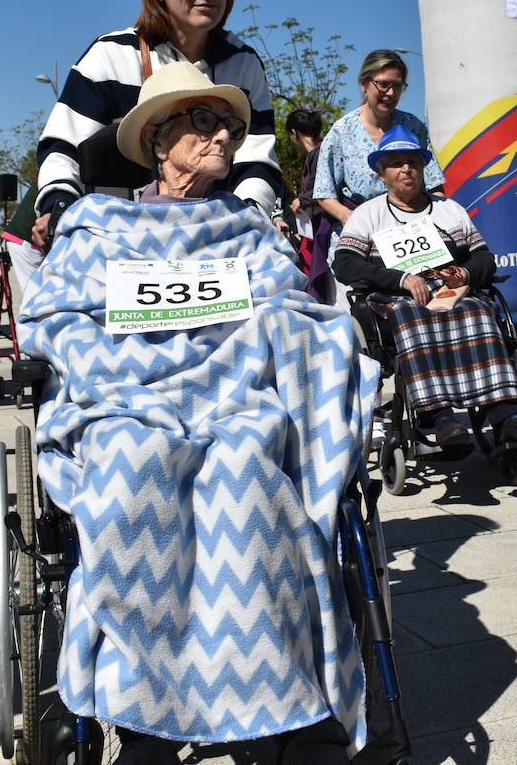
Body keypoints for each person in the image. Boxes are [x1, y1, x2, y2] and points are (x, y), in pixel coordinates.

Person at [19, 61, 373, 764]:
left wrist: (313, 333)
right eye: (206, 122)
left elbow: (290, 306)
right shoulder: (98, 221)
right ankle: (148, 718)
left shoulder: (244, 226)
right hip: (125, 400)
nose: (224, 137)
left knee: (251, 466)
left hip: (232, 396)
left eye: (231, 126)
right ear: (158, 138)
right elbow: (55, 315)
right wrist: (122, 375)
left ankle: (275, 691)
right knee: (129, 465)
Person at [32, 0, 283, 248]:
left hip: (215, 243)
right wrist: (58, 209)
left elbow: (256, 159)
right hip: (117, 242)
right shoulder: (110, 56)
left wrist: (249, 219)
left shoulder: (243, 64)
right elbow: (63, 149)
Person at [332, 125, 517, 452]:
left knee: (479, 309)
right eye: (396, 163)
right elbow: (345, 263)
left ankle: (507, 417)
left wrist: (464, 272)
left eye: (413, 162)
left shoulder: (450, 210)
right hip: (397, 296)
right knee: (410, 314)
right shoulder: (368, 215)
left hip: (452, 292)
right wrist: (402, 279)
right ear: (381, 174)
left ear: (423, 168)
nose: (406, 168)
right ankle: (440, 417)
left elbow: (484, 258)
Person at [313, 51, 444, 305]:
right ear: (364, 83)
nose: (391, 93)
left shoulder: (413, 127)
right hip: (359, 240)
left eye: (398, 86)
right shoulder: (343, 131)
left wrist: (438, 224)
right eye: (383, 84)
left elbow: (435, 184)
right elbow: (324, 193)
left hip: (411, 238)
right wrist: (356, 220)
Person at [287, 108, 333, 302]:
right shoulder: (325, 149)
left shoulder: (319, 153)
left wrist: (301, 200)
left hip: (323, 225)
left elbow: (323, 187)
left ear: (294, 133)